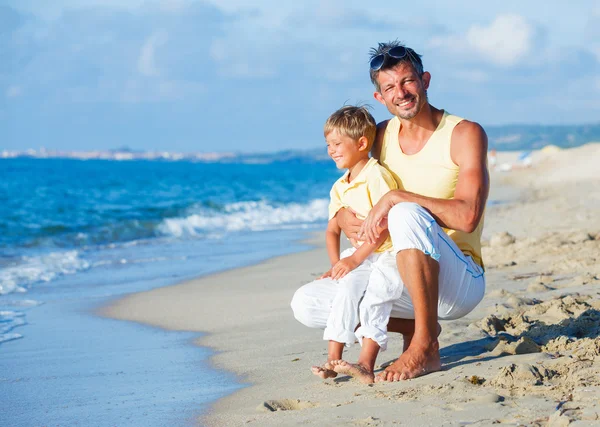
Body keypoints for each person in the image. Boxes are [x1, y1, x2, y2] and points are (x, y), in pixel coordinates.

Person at [291, 40, 489, 382]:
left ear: (425, 80)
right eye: (389, 87)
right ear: (380, 98)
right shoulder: (379, 136)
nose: (401, 92)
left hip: (456, 282)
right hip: (396, 276)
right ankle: (415, 325)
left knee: (404, 213)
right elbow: (352, 186)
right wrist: (341, 219)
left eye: (408, 81)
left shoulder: (463, 133)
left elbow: (468, 216)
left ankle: (425, 343)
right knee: (306, 304)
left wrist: (397, 197)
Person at [301, 105, 401, 383]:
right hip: (360, 255)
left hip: (388, 253)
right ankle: (333, 360)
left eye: (336, 143)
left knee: (376, 299)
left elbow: (385, 226)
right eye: (328, 144)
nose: (331, 150)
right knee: (345, 292)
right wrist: (337, 266)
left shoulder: (376, 176)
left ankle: (365, 364)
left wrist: (354, 259)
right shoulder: (339, 186)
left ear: (361, 143)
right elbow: (332, 230)